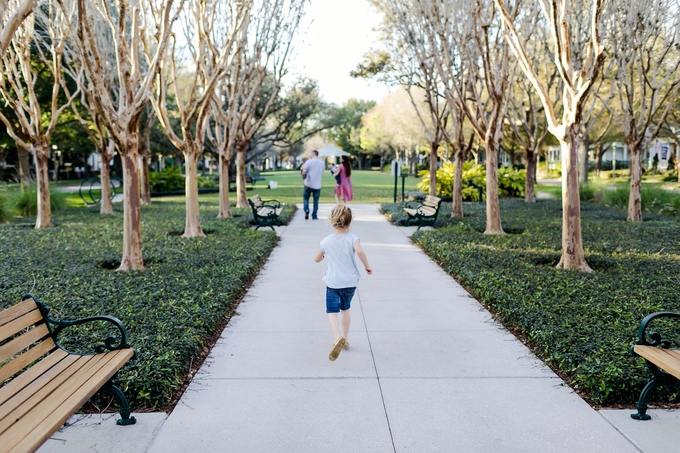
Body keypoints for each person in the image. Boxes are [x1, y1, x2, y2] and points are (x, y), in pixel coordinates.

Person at [314, 205, 372, 361]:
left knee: (332, 311)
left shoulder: (326, 241)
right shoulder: (353, 238)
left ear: (332, 221)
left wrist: (323, 256)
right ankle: (344, 338)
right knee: (345, 309)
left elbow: (316, 258)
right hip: (350, 282)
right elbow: (359, 251)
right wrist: (367, 266)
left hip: (333, 282)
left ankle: (336, 338)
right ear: (349, 222)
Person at [301, 150, 324, 219]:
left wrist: (304, 178)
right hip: (317, 185)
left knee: (305, 198)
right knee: (316, 201)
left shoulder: (308, 162)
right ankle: (314, 215)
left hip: (308, 184)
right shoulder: (322, 163)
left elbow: (304, 172)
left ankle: (306, 209)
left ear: (313, 154)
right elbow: (322, 172)